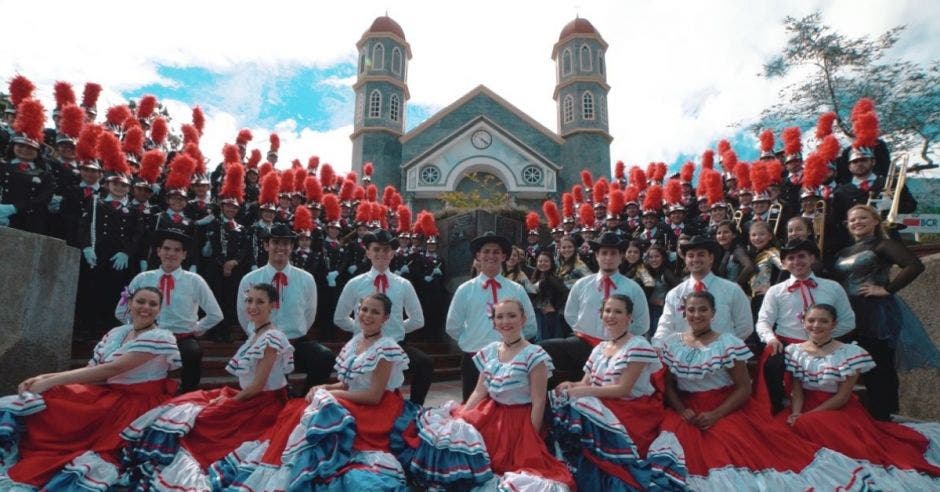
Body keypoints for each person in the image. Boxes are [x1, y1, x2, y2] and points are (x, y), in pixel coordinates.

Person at [204, 293, 419, 490]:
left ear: (386, 318)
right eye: (364, 309)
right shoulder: (356, 342)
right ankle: (275, 463)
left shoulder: (386, 348)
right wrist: (324, 387)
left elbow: (374, 396)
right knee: (296, 408)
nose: (367, 315)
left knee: (310, 412)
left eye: (375, 312)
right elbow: (347, 384)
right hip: (356, 400)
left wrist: (330, 395)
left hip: (377, 409)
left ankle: (293, 468)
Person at [657, 292, 866, 490]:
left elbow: (744, 388)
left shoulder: (726, 344)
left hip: (724, 407)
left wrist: (715, 414)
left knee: (728, 451)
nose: (696, 315)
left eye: (703, 310)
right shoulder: (673, 342)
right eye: (691, 310)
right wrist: (681, 409)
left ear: (713, 313)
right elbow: (669, 384)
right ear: (684, 312)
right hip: (685, 409)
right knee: (672, 447)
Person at [0, 288, 179, 489]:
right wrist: (44, 378)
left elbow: (113, 368)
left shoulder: (161, 337)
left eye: (153, 304)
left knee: (59, 400)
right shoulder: (117, 333)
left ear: (159, 310)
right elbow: (92, 370)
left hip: (136, 405)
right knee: (48, 397)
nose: (146, 307)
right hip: (110, 395)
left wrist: (51, 380)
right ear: (130, 304)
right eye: (141, 301)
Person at [121, 283, 293, 489]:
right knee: (186, 407)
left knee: (202, 422)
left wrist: (227, 403)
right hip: (250, 399)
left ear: (272, 305)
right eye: (249, 300)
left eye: (260, 302)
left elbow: (257, 387)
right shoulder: (256, 333)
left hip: (263, 406)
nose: (252, 306)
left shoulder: (272, 337)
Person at [412, 299, 574, 490]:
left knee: (515, 468)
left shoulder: (534, 354)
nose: (506, 321)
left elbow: (538, 401)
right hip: (489, 413)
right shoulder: (490, 351)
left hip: (518, 419)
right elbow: (480, 391)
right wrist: (462, 414)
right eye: (500, 317)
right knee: (453, 436)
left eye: (512, 315)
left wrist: (531, 435)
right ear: (494, 322)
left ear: (523, 319)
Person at [780, 304, 940, 489]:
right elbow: (797, 389)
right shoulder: (794, 351)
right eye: (811, 320)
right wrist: (797, 412)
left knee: (808, 425)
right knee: (785, 428)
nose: (816, 325)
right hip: (806, 405)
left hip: (838, 408)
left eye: (823, 321)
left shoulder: (850, 353)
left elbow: (843, 396)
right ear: (803, 322)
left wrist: (808, 416)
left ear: (834, 324)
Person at [551, 295, 682, 490]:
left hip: (631, 410)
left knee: (578, 405)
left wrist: (580, 393)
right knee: (558, 398)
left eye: (618, 312)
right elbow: (585, 382)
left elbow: (623, 389)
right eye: (607, 311)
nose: (611, 316)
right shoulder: (600, 348)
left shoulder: (638, 346)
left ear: (630, 317)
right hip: (601, 405)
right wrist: (571, 385)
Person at [832, 204, 935, 420]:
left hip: (875, 313)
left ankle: (886, 415)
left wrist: (887, 289)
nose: (857, 222)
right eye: (852, 220)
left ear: (876, 221)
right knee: (850, 366)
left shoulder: (883, 244)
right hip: (849, 313)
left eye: (862, 218)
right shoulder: (844, 251)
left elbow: (914, 265)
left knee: (879, 366)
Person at [754, 239, 855, 414]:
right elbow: (763, 321)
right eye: (790, 258)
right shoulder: (775, 291)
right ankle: (777, 407)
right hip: (786, 344)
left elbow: (848, 320)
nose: (796, 262)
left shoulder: (833, 287)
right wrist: (770, 339)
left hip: (824, 344)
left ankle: (824, 409)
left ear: (812, 258)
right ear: (784, 264)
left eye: (801, 256)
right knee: (773, 365)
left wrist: (822, 337)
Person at [117, 228, 223, 392]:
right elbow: (121, 310)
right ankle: (138, 391)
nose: (171, 254)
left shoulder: (194, 280)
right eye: (166, 248)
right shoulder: (143, 278)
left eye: (177, 250)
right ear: (158, 251)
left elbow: (216, 314)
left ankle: (187, 394)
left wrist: (195, 329)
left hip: (181, 337)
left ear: (184, 254)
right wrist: (138, 327)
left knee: (193, 353)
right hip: (147, 335)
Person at [334, 229, 432, 405]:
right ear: (368, 252)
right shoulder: (355, 283)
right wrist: (362, 329)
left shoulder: (403, 284)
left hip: (395, 345)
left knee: (425, 363)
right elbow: (340, 318)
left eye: (386, 250)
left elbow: (418, 320)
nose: (381, 254)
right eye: (376, 249)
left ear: (393, 253)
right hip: (363, 346)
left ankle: (415, 407)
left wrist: (396, 329)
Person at [541, 232, 650, 386]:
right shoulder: (582, 284)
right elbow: (570, 314)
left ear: (621, 257)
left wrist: (618, 339)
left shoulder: (633, 288)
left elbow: (642, 323)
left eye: (613, 253)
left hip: (617, 349)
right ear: (597, 256)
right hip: (583, 343)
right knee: (541, 351)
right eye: (604, 253)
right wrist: (587, 331)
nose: (608, 258)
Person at [238, 223, 335, 393]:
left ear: (291, 247)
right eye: (276, 242)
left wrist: (292, 335)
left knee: (324, 356)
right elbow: (244, 314)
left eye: (285, 243)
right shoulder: (250, 279)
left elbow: (309, 313)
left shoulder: (306, 279)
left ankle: (306, 398)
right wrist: (263, 340)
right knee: (277, 393)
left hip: (295, 342)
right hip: (263, 345)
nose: (280, 247)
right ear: (267, 245)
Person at [446, 232, 537, 401]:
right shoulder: (465, 289)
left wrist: (512, 344)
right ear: (478, 256)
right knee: (472, 410)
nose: (491, 256)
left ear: (504, 256)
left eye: (496, 252)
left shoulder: (516, 289)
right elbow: (453, 325)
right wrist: (473, 340)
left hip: (510, 359)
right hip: (474, 356)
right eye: (486, 251)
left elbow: (530, 325)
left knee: (507, 408)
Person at [653, 235, 753, 345]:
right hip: (684, 356)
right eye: (691, 256)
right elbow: (666, 325)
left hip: (721, 357)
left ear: (711, 258)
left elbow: (745, 326)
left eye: (701, 255)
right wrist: (658, 344)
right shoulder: (675, 294)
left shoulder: (732, 290)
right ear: (685, 259)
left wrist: (724, 346)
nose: (695, 259)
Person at [745, 220, 782, 320]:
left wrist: (772, 289)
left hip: (766, 298)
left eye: (762, 234)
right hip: (755, 298)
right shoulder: (752, 254)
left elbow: (786, 269)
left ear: (770, 236)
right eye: (754, 235)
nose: (757, 238)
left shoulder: (772, 252)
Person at [530, 250, 570, 341]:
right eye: (540, 261)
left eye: (546, 261)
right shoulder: (536, 276)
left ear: (551, 263)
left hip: (549, 316)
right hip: (538, 314)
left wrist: (555, 307)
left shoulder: (553, 278)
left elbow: (565, 293)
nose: (543, 263)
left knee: (547, 341)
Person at [644, 244, 680, 334]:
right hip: (647, 309)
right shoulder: (645, 271)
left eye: (657, 256)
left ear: (663, 258)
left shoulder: (666, 272)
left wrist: (663, 301)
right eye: (651, 257)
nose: (654, 260)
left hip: (660, 310)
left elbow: (679, 289)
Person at [713, 220, 753, 291]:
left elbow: (749, 267)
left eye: (726, 232)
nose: (722, 236)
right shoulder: (726, 251)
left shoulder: (738, 250)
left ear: (734, 235)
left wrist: (737, 284)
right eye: (719, 233)